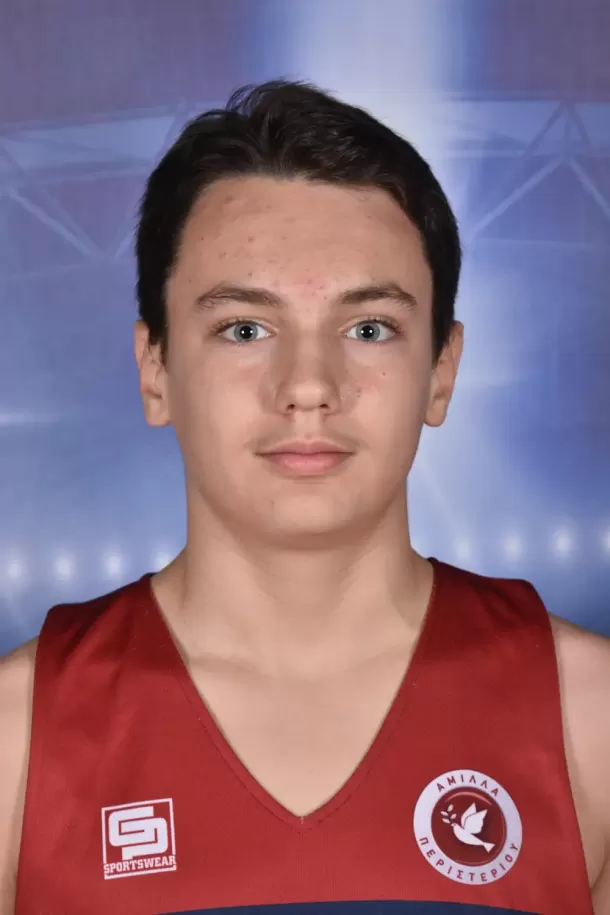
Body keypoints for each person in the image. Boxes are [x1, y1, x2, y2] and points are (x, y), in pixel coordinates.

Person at [0, 79, 608, 915]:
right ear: (155, 369)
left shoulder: (590, 718)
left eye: (369, 328)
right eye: (245, 329)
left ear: (442, 369)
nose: (309, 385)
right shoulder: (18, 736)